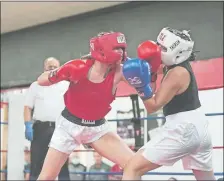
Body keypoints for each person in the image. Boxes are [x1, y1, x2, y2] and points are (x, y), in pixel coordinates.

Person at [36, 31, 135, 180]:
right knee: (46, 177)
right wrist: (58, 72)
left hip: (97, 129)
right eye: (117, 49)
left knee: (134, 165)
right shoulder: (78, 67)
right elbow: (41, 80)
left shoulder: (120, 71)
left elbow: (151, 88)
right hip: (68, 127)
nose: (121, 53)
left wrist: (145, 75)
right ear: (102, 50)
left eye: (122, 49)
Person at [122, 27, 215, 180]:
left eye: (162, 48)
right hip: (200, 129)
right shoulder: (173, 67)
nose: (158, 50)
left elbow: (152, 106)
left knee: (132, 168)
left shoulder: (176, 73)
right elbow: (150, 77)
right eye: (158, 45)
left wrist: (140, 85)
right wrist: (148, 70)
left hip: (183, 129)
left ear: (176, 52)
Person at [24, 57, 70, 180]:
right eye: (50, 66)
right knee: (36, 162)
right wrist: (27, 125)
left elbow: (72, 106)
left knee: (62, 163)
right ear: (44, 68)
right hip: (40, 128)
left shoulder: (66, 85)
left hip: (60, 128)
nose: (52, 69)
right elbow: (27, 107)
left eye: (55, 66)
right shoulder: (36, 85)